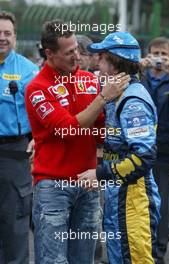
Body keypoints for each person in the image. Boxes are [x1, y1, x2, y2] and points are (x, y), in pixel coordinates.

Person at [25, 19, 130, 264]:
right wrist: (104, 97)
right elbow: (67, 129)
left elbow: (101, 130)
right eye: (69, 52)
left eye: (77, 49)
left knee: (84, 260)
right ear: (49, 53)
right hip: (53, 188)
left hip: (89, 185)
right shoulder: (37, 88)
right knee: (53, 260)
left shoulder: (89, 80)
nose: (77, 56)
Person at [78, 31, 161, 264]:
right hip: (118, 196)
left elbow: (143, 158)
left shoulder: (132, 101)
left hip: (134, 198)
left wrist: (100, 174)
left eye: (102, 57)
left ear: (114, 64)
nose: (97, 63)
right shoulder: (116, 96)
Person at [0, 11, 39, 264]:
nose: (2, 38)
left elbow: (42, 111)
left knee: (14, 223)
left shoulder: (28, 71)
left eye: (7, 33)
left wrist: (38, 138)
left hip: (14, 154)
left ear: (15, 37)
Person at [140, 37, 169, 264]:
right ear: (148, 54)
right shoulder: (141, 79)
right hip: (139, 148)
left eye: (164, 54)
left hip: (164, 150)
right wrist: (138, 68)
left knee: (160, 202)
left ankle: (158, 253)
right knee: (141, 202)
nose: (160, 59)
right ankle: (140, 248)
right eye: (155, 53)